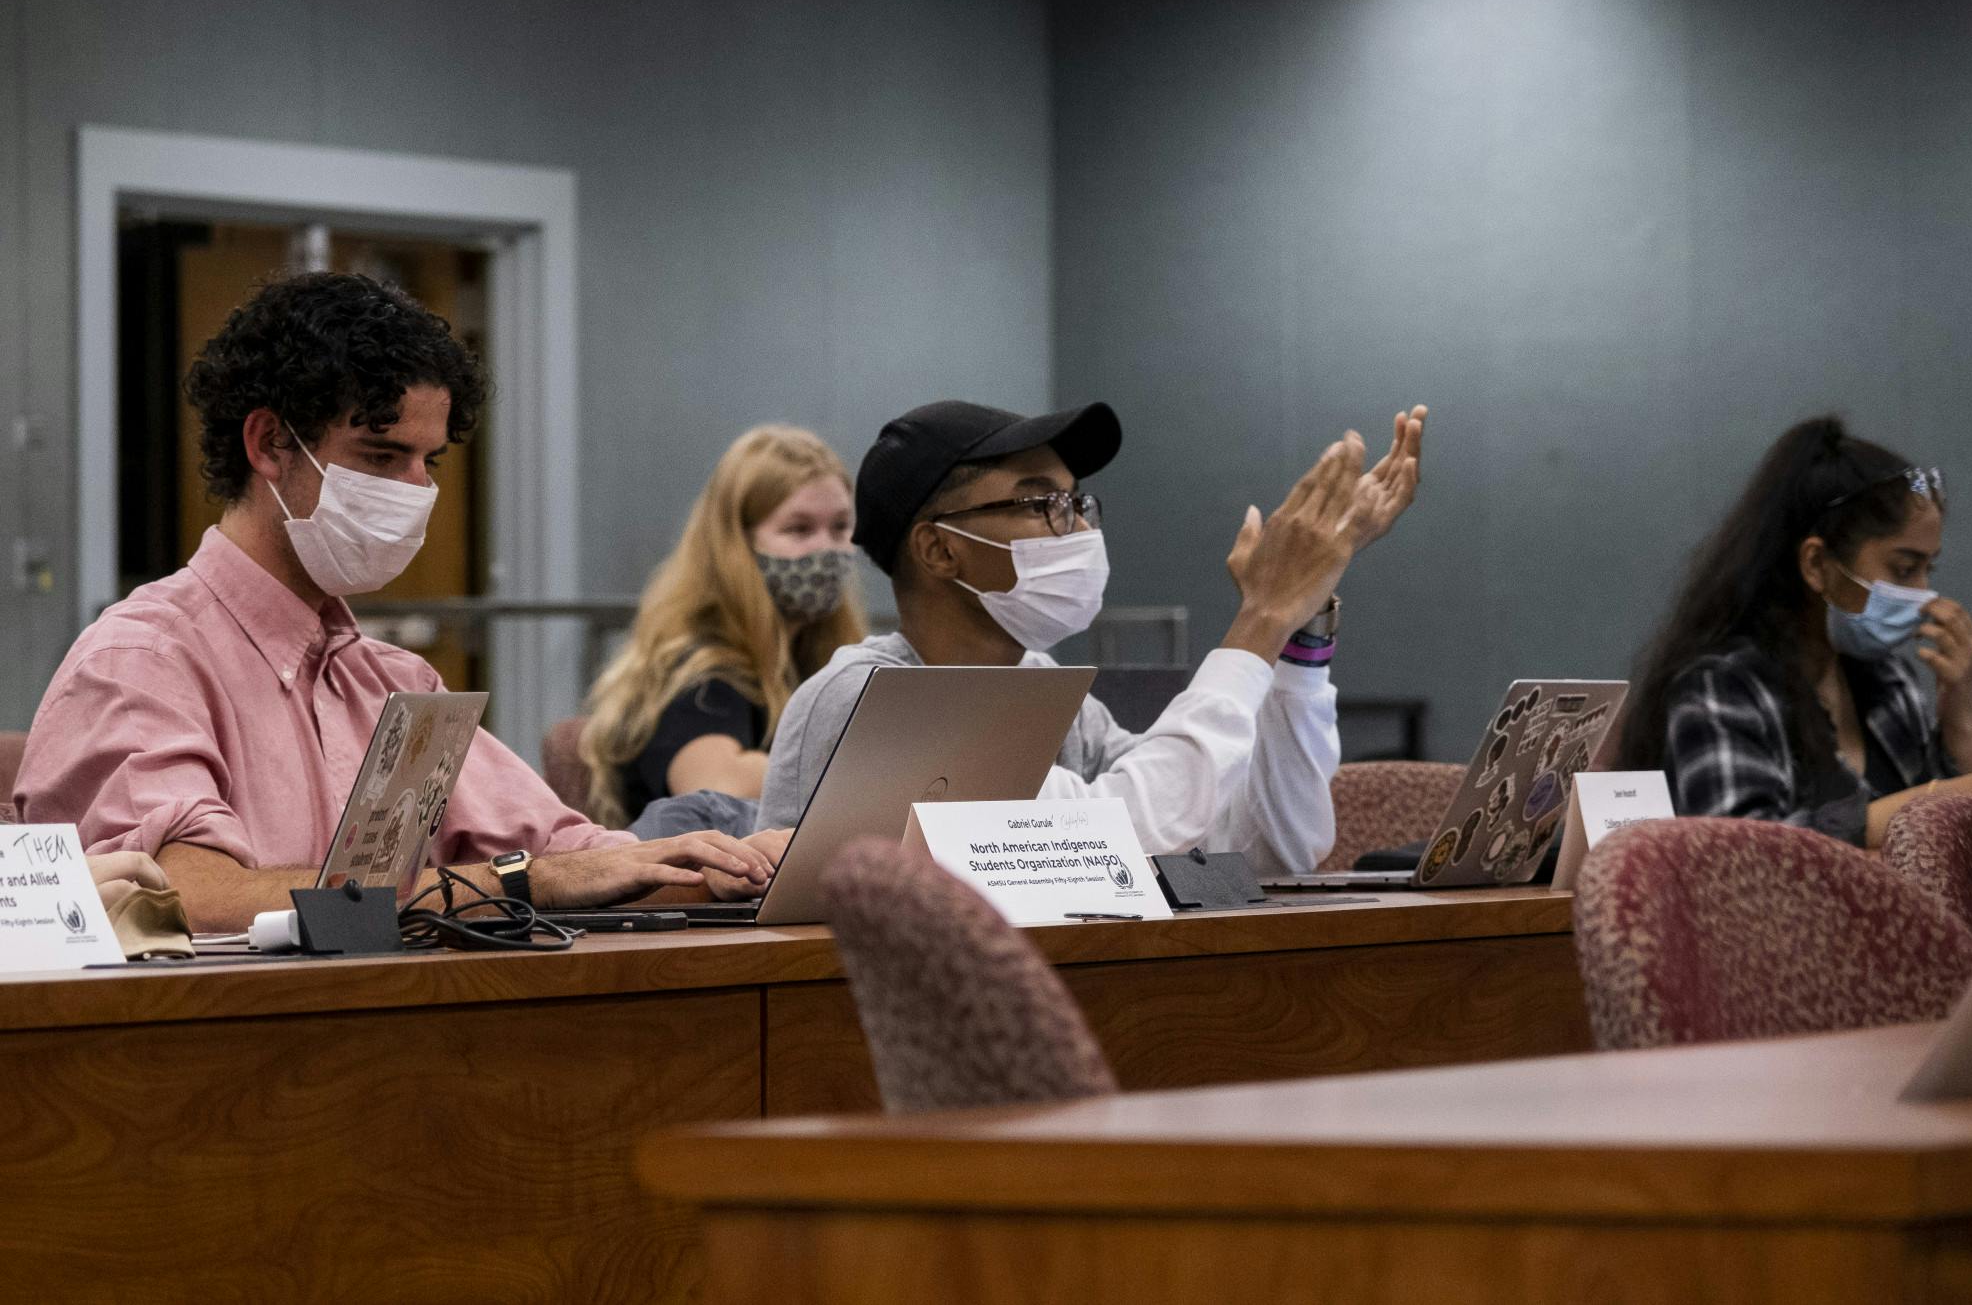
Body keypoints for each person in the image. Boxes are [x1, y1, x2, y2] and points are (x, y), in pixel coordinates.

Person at [16, 272, 777, 932]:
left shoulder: (395, 681)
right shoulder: (140, 661)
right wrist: (517, 883)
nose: (418, 490)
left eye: (428, 460)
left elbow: (564, 851)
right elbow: (193, 899)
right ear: (269, 444)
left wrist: (724, 861)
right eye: (381, 456)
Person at [756, 397, 1429, 876]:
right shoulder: (868, 697)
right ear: (938, 549)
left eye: (1078, 502)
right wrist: (1260, 623)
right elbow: (1117, 832)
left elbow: (1263, 847)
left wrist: (1300, 635)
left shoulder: (1049, 691)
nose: (1077, 528)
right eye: (1039, 502)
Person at [1615, 415, 1972, 847]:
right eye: (1904, 569)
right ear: (1816, 564)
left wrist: (1960, 714)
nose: (1925, 595)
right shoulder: (1722, 689)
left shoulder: (1888, 681)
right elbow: (1740, 859)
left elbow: (1959, 859)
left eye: (1928, 569)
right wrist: (1922, 807)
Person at [579, 426, 864, 826]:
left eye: (840, 528)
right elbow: (715, 783)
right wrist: (867, 770)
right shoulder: (698, 667)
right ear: (737, 544)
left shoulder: (814, 659)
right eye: (799, 529)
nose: (827, 549)